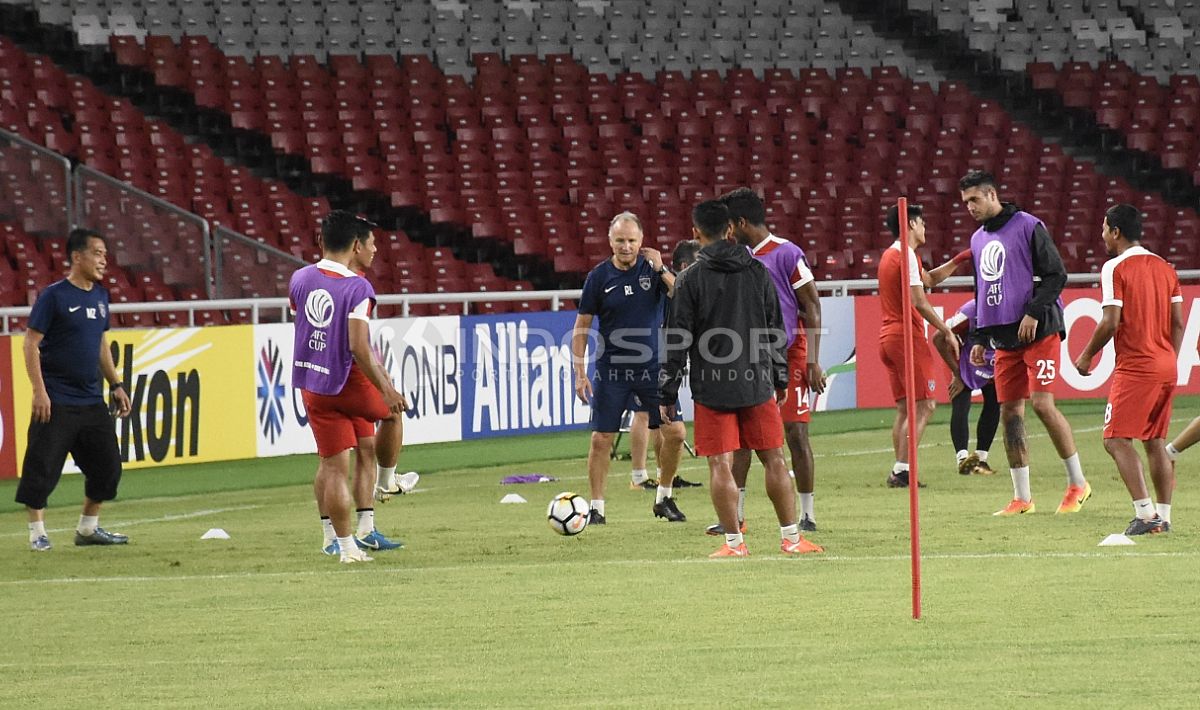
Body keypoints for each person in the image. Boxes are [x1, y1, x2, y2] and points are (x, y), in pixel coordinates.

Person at [660, 199, 819, 557]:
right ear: (730, 230)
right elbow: (775, 329)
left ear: (696, 233)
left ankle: (734, 543)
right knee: (775, 458)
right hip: (757, 381)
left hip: (711, 387)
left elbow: (676, 340)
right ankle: (792, 539)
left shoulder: (689, 280)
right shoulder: (757, 271)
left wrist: (667, 392)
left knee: (720, 463)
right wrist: (780, 378)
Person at [959, 170, 1091, 516]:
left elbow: (1056, 275)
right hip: (1003, 338)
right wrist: (977, 335)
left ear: (991, 194)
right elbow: (982, 291)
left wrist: (1033, 311)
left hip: (1039, 330)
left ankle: (1078, 483)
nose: (969, 207)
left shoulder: (1028, 225)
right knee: (1010, 413)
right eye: (965, 202)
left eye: (974, 199)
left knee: (1042, 405)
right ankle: (1022, 498)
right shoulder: (977, 240)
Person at [706, 188, 826, 538]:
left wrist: (814, 362)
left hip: (790, 353)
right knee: (743, 439)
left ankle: (807, 513)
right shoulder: (737, 256)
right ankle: (736, 515)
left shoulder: (787, 253)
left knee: (795, 434)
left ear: (741, 222)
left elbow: (813, 305)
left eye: (730, 224)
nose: (727, 231)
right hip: (751, 355)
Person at [290, 211, 406, 563]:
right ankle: (388, 481)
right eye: (371, 244)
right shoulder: (358, 287)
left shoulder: (300, 277)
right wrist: (385, 388)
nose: (375, 251)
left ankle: (345, 544)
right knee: (393, 413)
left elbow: (305, 322)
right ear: (356, 245)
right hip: (345, 378)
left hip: (311, 382)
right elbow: (357, 344)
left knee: (334, 465)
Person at [16, 228, 132, 551]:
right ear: (76, 257)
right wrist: (40, 392)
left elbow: (100, 343)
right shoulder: (53, 296)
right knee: (42, 468)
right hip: (56, 400)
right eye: (97, 253)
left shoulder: (100, 296)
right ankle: (37, 533)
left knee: (108, 467)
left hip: (91, 399)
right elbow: (30, 344)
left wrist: (116, 383)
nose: (103, 261)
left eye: (105, 255)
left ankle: (88, 528)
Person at [1073, 205, 1183, 534]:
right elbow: (1177, 322)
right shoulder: (1166, 267)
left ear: (1117, 232)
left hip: (1137, 366)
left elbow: (1110, 321)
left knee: (1116, 440)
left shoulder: (1114, 268)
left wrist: (1085, 356)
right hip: (1166, 364)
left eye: (1105, 228)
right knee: (1154, 440)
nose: (1102, 235)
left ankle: (1146, 514)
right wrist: (1169, 358)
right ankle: (1163, 516)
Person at [572, 212, 682, 524]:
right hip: (612, 371)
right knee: (600, 439)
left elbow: (681, 295)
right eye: (620, 240)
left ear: (641, 241)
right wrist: (580, 373)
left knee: (673, 432)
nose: (626, 246)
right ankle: (596, 508)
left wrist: (662, 269)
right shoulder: (598, 277)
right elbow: (581, 327)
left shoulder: (654, 270)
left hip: (653, 368)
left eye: (632, 240)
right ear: (610, 241)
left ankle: (664, 497)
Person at [878, 204, 961, 488]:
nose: (925, 228)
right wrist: (945, 330)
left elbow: (930, 280)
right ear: (912, 224)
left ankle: (900, 469)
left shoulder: (890, 255)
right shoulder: (906, 255)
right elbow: (919, 300)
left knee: (905, 408)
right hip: (906, 337)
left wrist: (962, 258)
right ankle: (902, 470)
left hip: (887, 337)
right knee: (925, 404)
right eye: (922, 223)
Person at [626, 239, 704, 497]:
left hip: (664, 354)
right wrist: (659, 268)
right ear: (684, 265)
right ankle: (638, 476)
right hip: (647, 353)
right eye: (698, 262)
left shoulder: (672, 278)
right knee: (644, 414)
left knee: (662, 418)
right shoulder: (663, 278)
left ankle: (663, 475)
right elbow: (677, 291)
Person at [932, 298, 1000, 476]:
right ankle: (962, 459)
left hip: (991, 360)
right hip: (961, 360)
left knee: (994, 402)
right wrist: (957, 373)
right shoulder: (969, 313)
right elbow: (938, 338)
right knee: (961, 402)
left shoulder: (1011, 309)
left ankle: (981, 460)